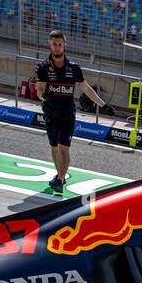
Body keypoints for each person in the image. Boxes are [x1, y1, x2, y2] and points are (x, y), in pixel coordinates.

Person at [34, 30, 105, 193]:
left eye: (60, 44)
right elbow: (39, 90)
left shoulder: (74, 67)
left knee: (64, 147)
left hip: (67, 114)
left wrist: (102, 105)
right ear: (49, 45)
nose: (57, 47)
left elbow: (85, 88)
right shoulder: (43, 67)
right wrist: (44, 95)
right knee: (54, 148)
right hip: (50, 113)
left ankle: (60, 179)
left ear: (65, 45)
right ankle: (59, 174)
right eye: (54, 44)